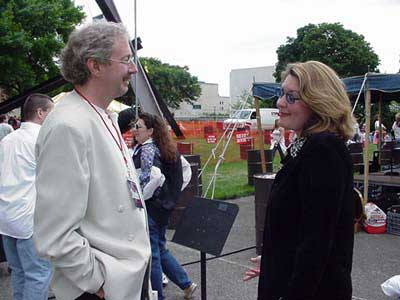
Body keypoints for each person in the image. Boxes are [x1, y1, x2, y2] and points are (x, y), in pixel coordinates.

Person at [33, 22, 152, 300]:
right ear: (95, 66)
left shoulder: (100, 115)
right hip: (100, 289)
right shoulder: (69, 125)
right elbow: (54, 232)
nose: (133, 69)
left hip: (123, 282)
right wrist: (98, 282)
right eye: (125, 60)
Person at [244, 61, 355, 300]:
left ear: (318, 103)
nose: (280, 103)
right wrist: (275, 260)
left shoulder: (323, 149)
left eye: (291, 97)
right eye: (281, 94)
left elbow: (317, 243)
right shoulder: (306, 145)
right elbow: (300, 225)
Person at [131, 113, 197, 300]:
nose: (134, 130)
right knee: (159, 249)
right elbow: (184, 171)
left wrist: (140, 199)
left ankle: (157, 296)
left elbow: (149, 178)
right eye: (134, 126)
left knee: (153, 255)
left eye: (138, 127)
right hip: (163, 208)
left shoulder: (147, 150)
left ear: (151, 131)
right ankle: (186, 284)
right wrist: (170, 197)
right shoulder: (165, 147)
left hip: (151, 208)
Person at [0, 93, 54, 300]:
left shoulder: (8, 139)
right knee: (38, 274)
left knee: (19, 272)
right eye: (52, 112)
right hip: (30, 218)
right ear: (40, 113)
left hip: (7, 216)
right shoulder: (41, 139)